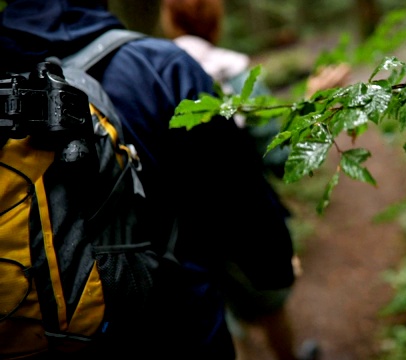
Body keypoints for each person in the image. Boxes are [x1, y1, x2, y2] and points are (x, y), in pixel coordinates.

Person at [0, 0, 296, 358]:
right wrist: (273, 266)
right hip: (179, 325)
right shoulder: (156, 64)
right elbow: (236, 189)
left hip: (37, 334)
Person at [158, 1, 338, 359]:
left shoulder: (149, 73)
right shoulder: (235, 71)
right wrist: (312, 108)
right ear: (215, 19)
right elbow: (279, 157)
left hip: (182, 232)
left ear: (170, 20)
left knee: (221, 314)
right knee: (270, 307)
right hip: (246, 222)